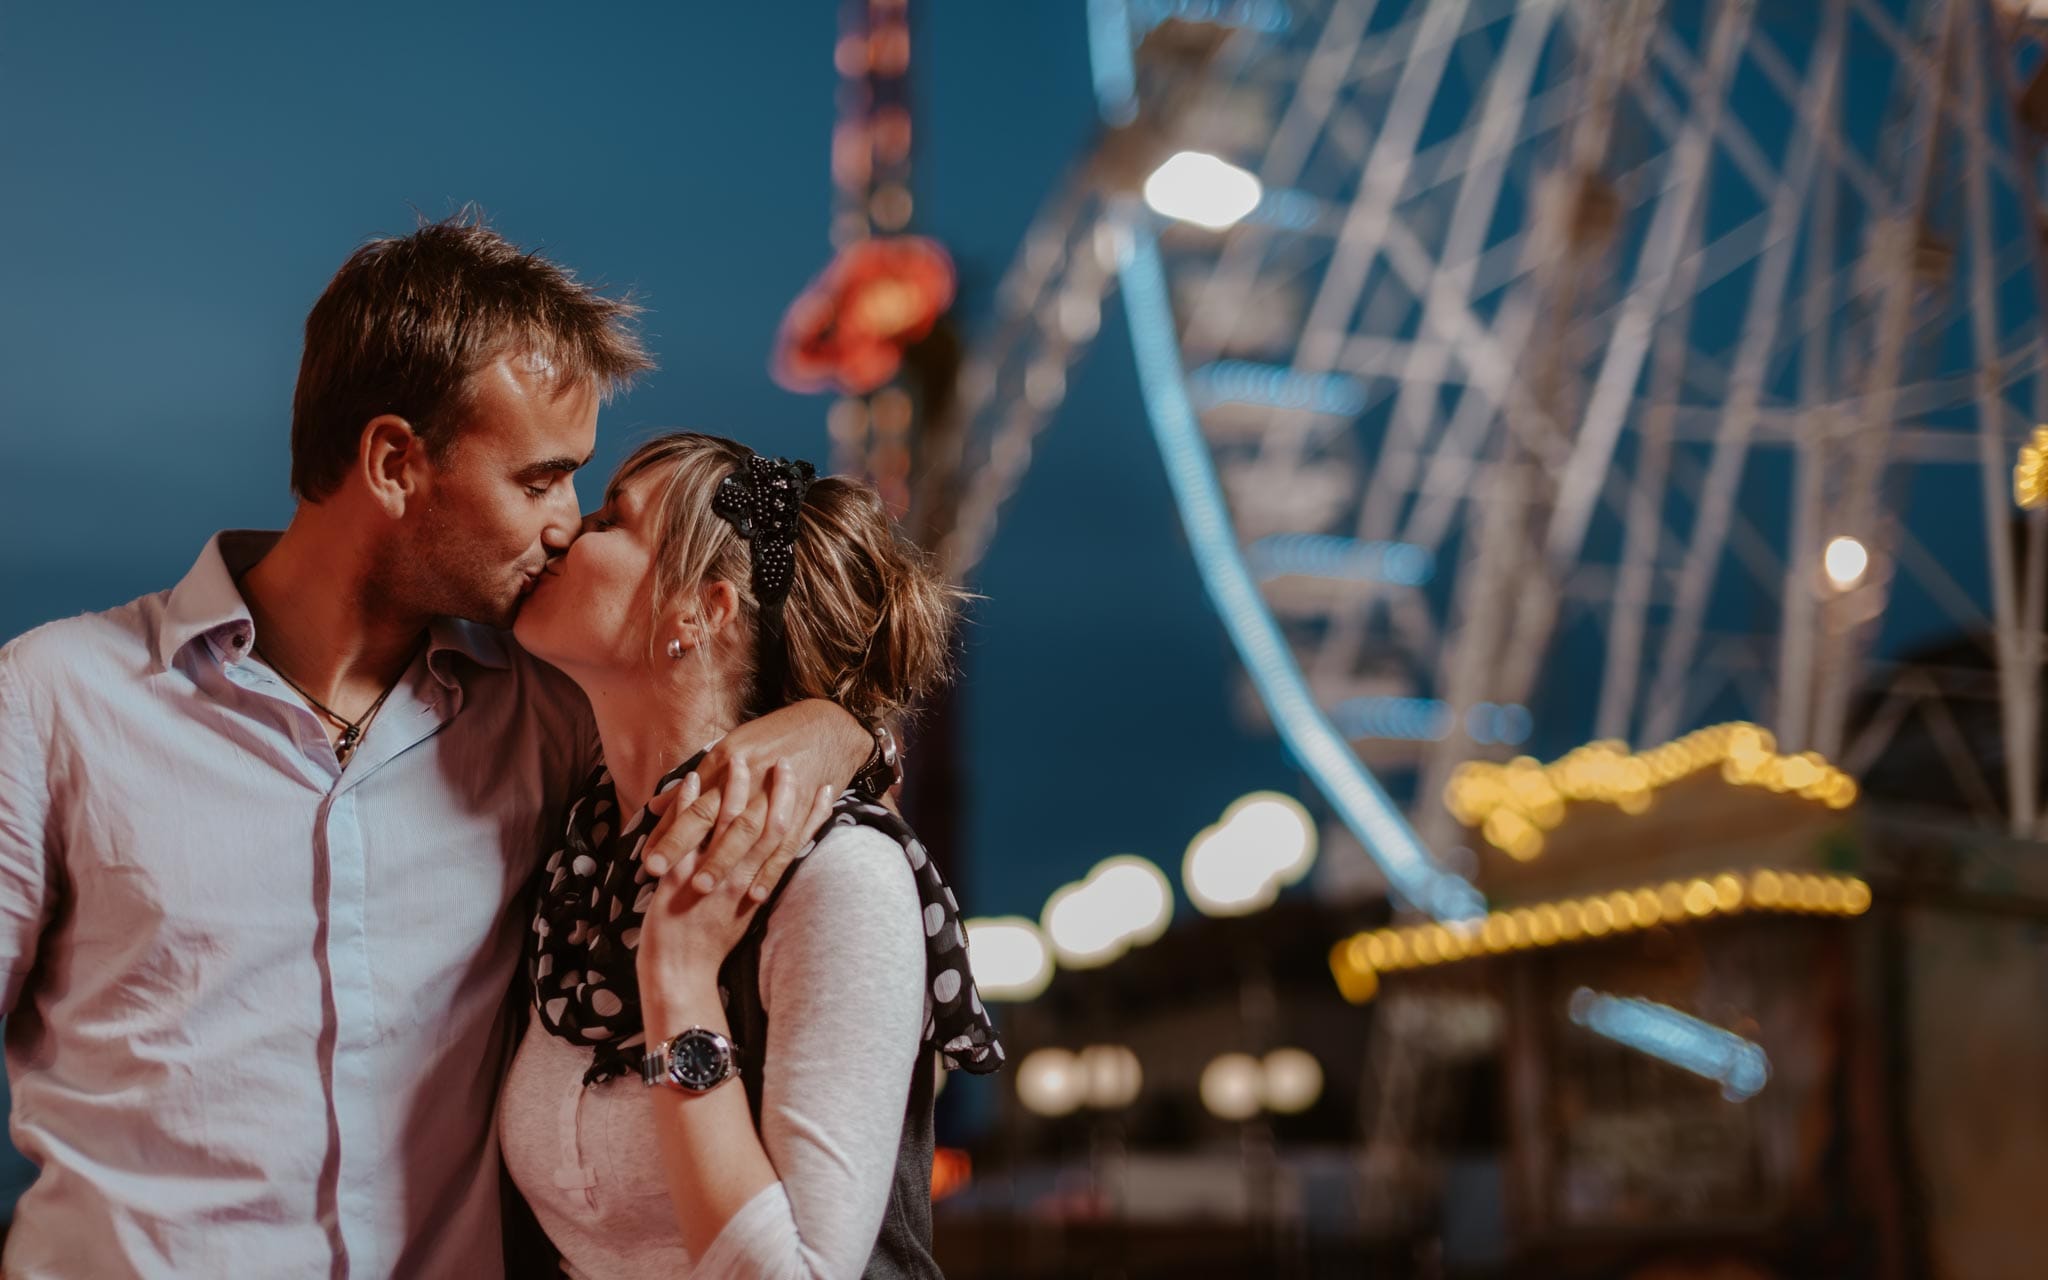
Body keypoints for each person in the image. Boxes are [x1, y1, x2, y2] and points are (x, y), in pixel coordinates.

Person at [0, 216, 884, 1277]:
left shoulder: (547, 714)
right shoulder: (53, 700)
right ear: (392, 463)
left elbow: (714, 709)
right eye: (538, 479)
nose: (564, 523)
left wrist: (835, 728)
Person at [498, 432, 1003, 1278]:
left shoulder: (840, 878)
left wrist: (680, 980)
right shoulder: (574, 870)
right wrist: (853, 732)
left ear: (702, 611)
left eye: (610, 519)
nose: (562, 532)